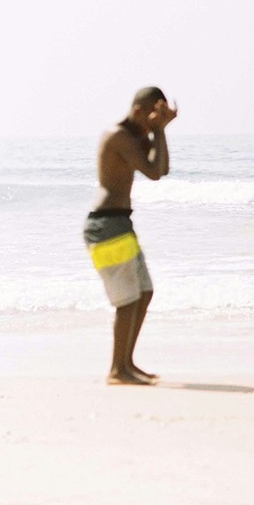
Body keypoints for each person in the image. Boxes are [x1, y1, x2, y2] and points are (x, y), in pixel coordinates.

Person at [83, 87, 178, 385]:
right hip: (105, 226)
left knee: (145, 293)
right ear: (138, 111)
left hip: (121, 224)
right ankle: (117, 370)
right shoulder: (118, 136)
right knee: (127, 301)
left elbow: (161, 170)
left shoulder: (141, 135)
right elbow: (152, 171)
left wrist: (159, 132)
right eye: (151, 118)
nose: (153, 125)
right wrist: (158, 131)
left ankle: (126, 363)